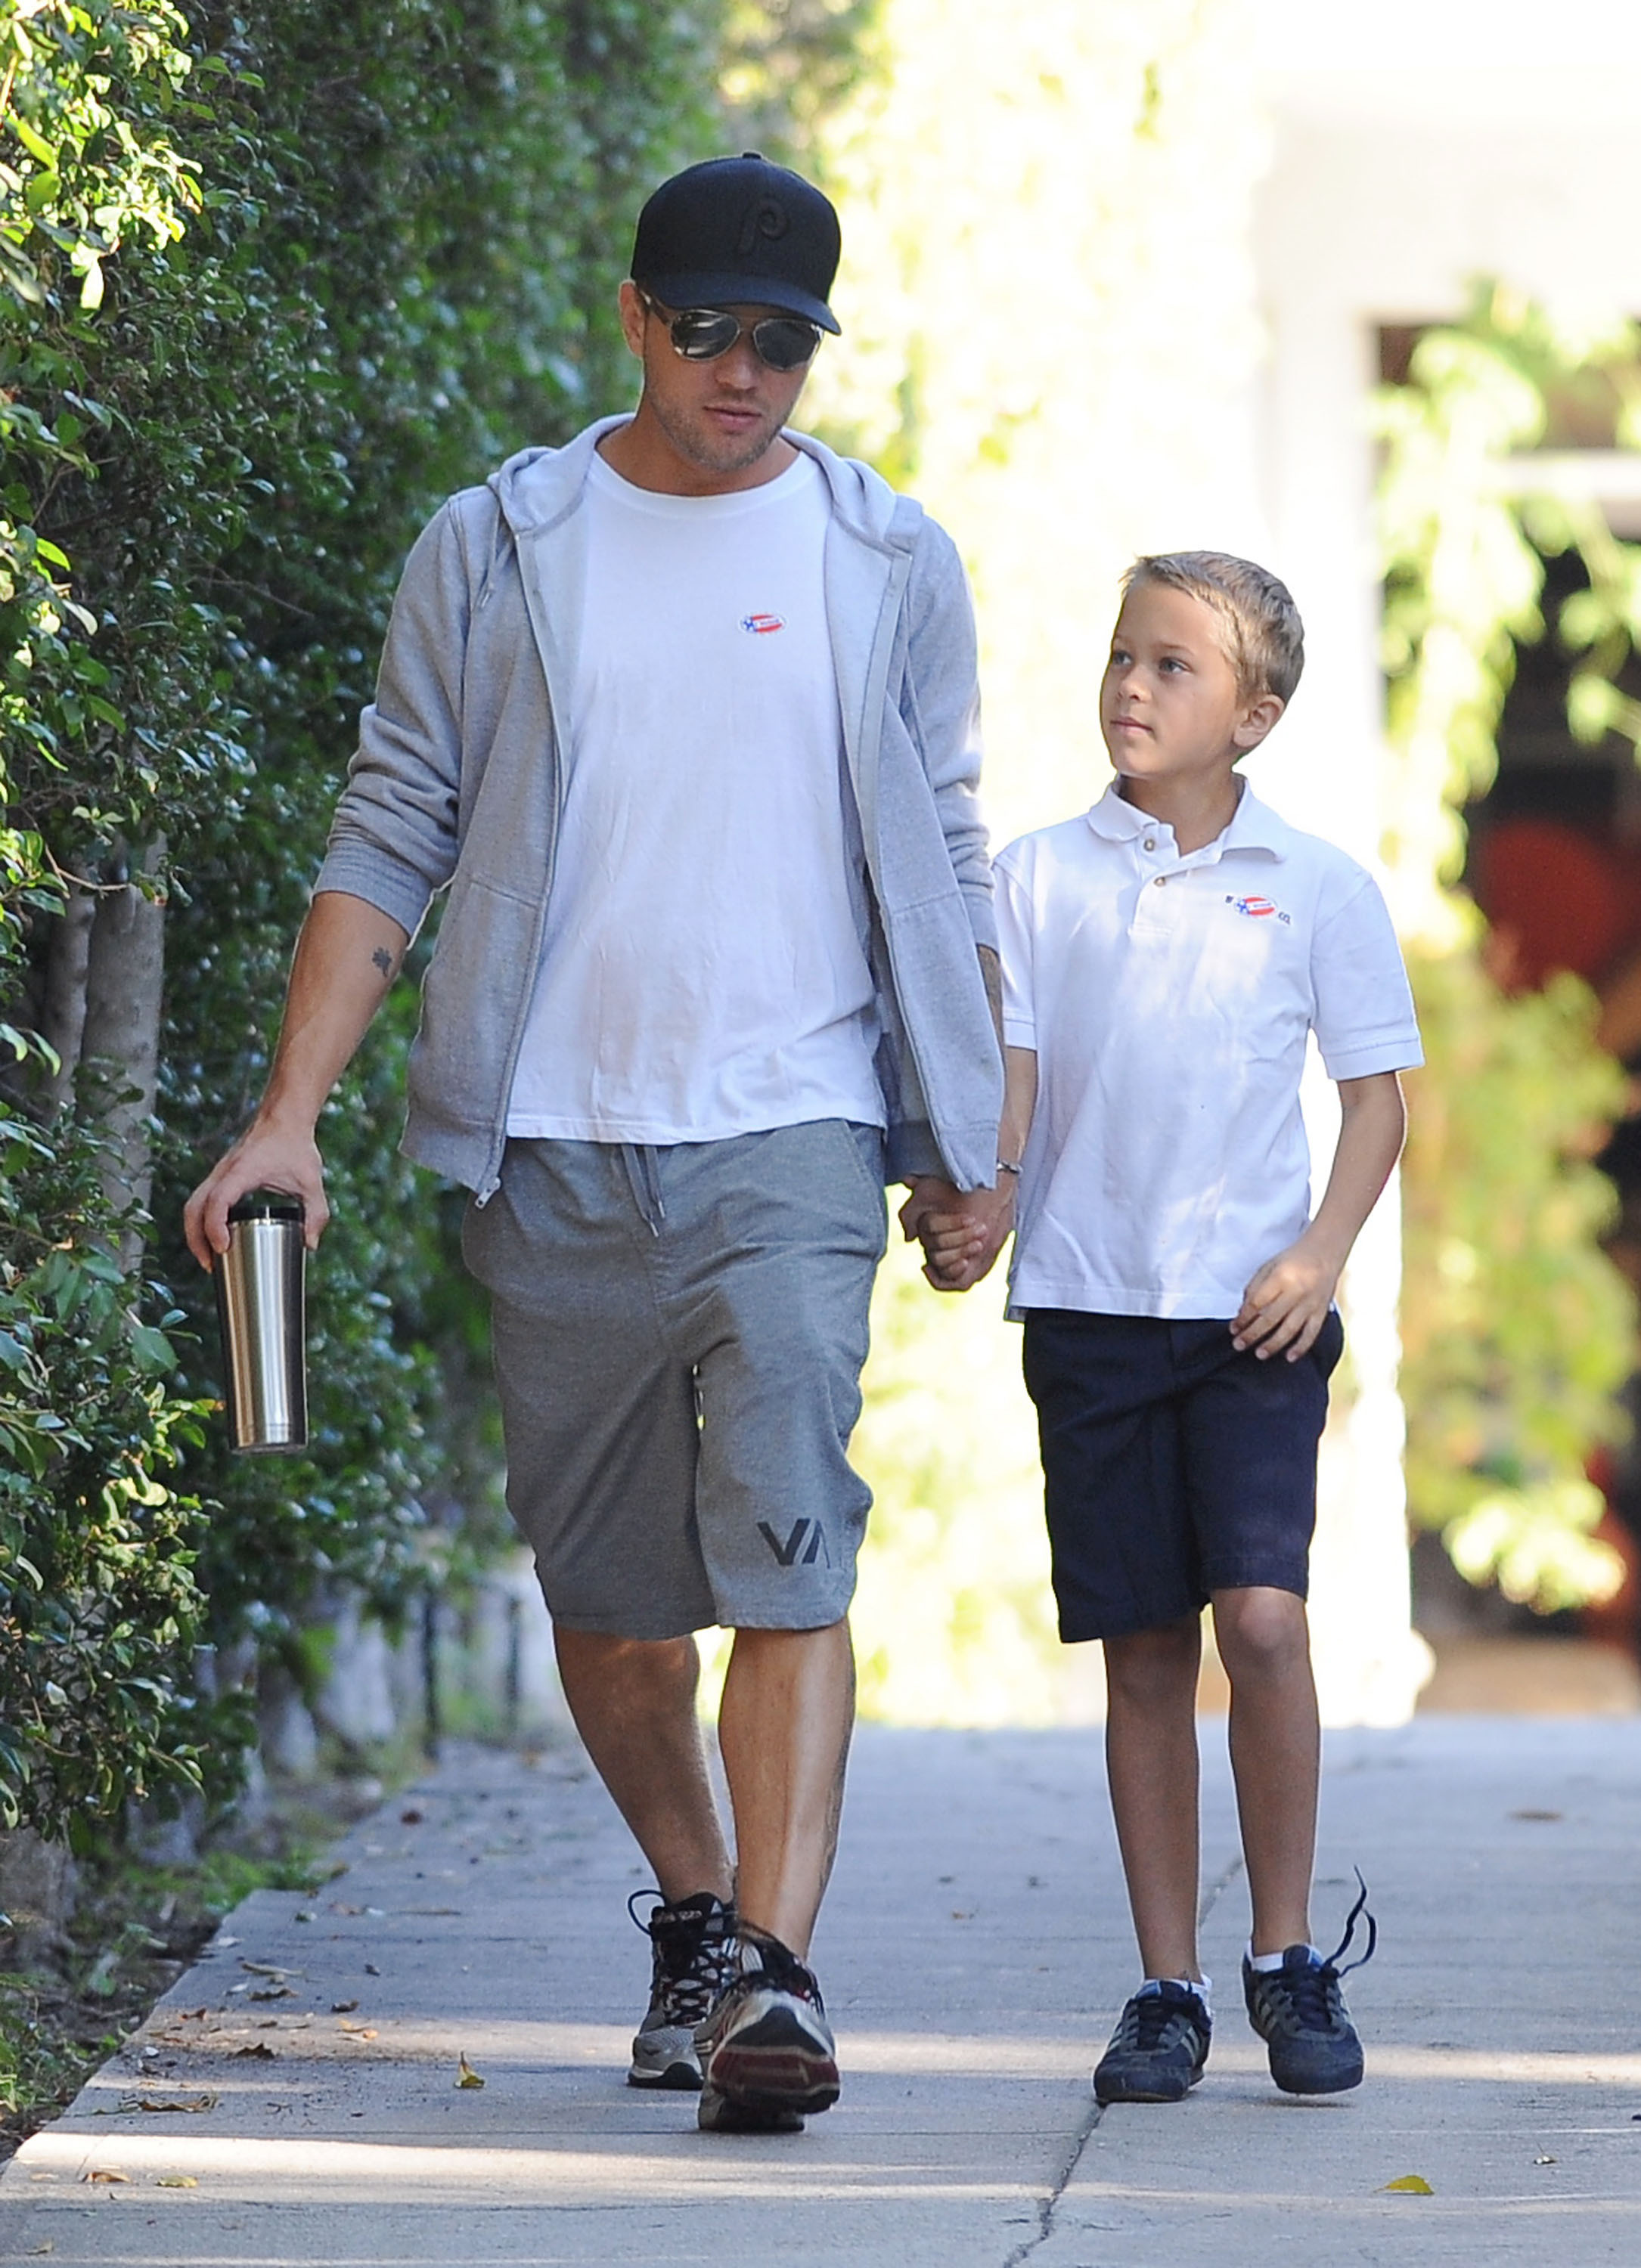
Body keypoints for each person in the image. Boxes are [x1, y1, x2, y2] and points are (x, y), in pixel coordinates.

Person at [185, 153, 1007, 2135]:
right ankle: (699, 1914)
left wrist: (971, 1122)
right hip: (549, 1141)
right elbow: (392, 824)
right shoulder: (502, 545)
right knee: (614, 1606)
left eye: (784, 344)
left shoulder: (887, 558)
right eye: (708, 330)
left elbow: (948, 849)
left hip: (794, 1133)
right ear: (634, 316)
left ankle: (777, 1979)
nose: (744, 373)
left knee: (793, 1553)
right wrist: (287, 1118)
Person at [918, 552, 1421, 2105]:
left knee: (1260, 1621)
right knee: (1142, 1648)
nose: (1131, 686)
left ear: (1253, 715)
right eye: (1122, 656)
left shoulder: (1317, 886)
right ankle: (1166, 1990)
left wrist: (1319, 1257)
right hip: (1088, 1308)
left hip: (1255, 1324)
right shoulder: (1034, 877)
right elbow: (1013, 1075)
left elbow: (1375, 1102)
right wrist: (983, 1204)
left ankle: (1287, 1956)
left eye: (1173, 667)